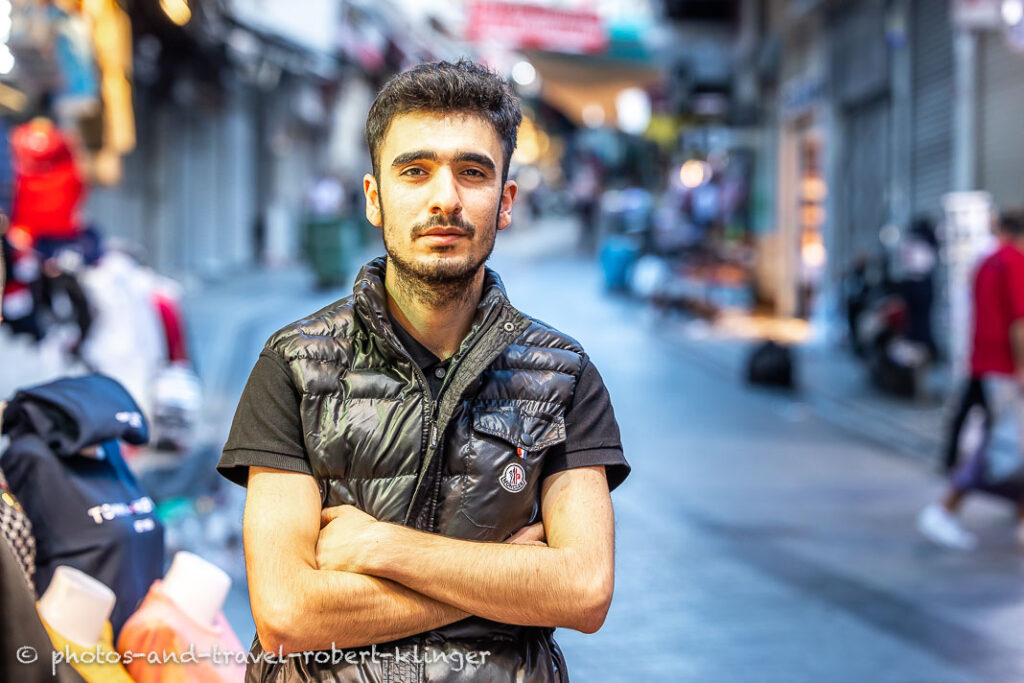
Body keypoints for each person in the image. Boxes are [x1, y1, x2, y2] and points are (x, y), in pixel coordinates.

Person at [217, 60, 630, 681]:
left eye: (472, 172)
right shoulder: (294, 364)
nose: (445, 198)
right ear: (375, 199)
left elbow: (584, 591)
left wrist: (386, 549)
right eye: (415, 171)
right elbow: (287, 614)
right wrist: (507, 587)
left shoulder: (564, 377)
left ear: (506, 201)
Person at [918, 209, 1024, 550]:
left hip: (982, 363)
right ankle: (944, 510)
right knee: (1001, 446)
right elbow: (1019, 323)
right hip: (1005, 370)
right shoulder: (1013, 262)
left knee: (1007, 443)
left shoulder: (984, 263)